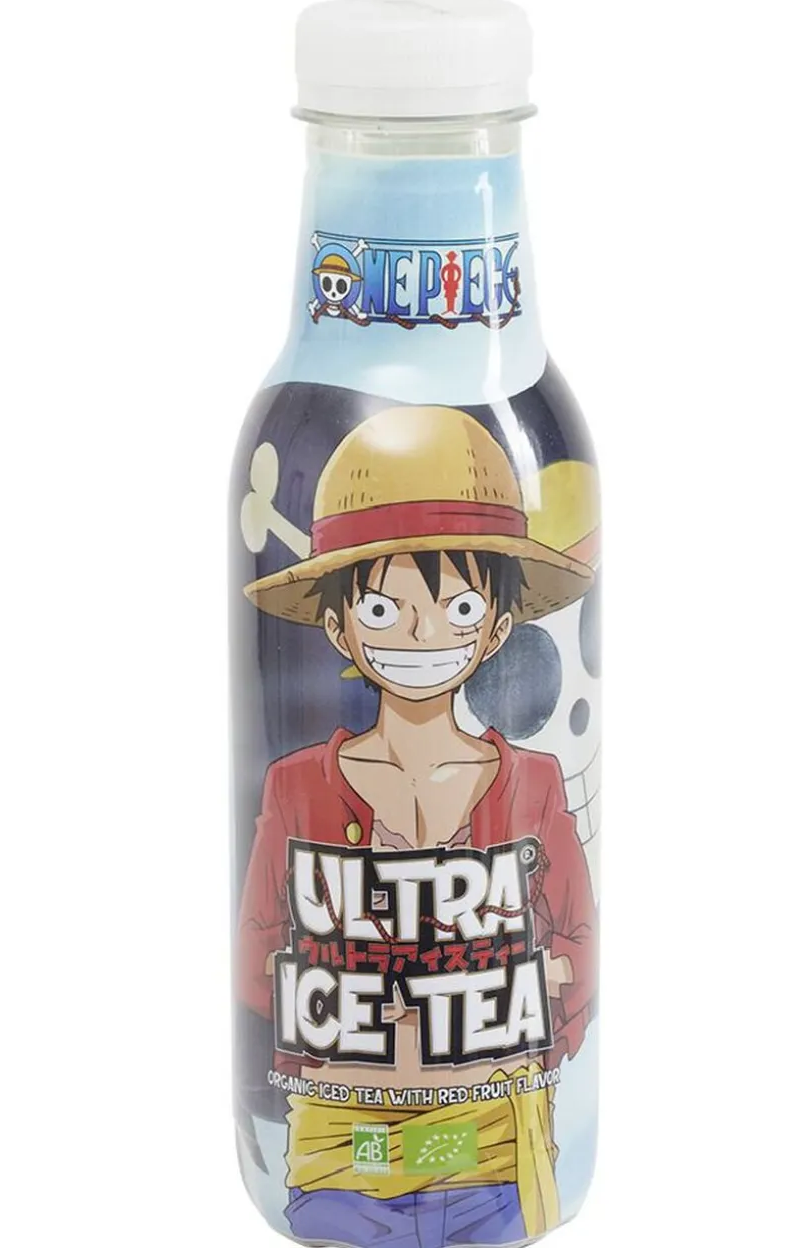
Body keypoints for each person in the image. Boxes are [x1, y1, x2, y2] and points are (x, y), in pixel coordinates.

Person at [237, 405, 598, 1245]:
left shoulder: (536, 782)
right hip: (338, 1149)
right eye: (383, 610)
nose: (423, 633)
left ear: (497, 627)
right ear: (340, 627)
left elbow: (581, 946)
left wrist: (502, 987)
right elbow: (256, 960)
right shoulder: (296, 787)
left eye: (459, 608)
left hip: (497, 1150)